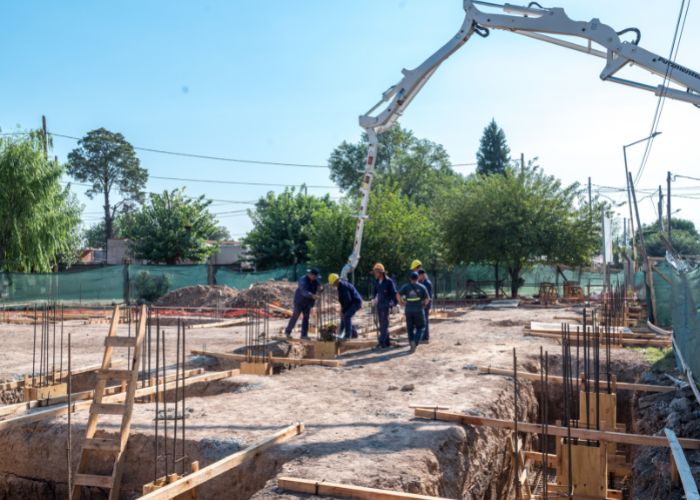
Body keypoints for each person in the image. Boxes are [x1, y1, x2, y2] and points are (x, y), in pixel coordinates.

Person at [396, 271, 430, 352]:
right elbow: (427, 299)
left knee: (410, 328)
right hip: (418, 310)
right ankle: (415, 341)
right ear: (418, 278)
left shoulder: (406, 287)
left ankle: (411, 343)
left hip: (408, 310)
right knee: (421, 326)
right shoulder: (422, 287)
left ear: (410, 279)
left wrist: (401, 302)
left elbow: (397, 294)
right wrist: (424, 306)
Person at [284, 268, 320, 339]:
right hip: (299, 302)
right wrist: (312, 295)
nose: (316, 278)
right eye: (315, 276)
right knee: (295, 316)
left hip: (308, 303)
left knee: (306, 318)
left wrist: (321, 288)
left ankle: (304, 335)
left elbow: (319, 286)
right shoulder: (303, 280)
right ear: (311, 275)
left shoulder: (314, 280)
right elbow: (303, 291)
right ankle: (288, 332)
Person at [328, 273, 363, 340]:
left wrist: (343, 311)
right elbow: (344, 301)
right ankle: (350, 334)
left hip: (355, 303)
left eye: (333, 283)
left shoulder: (343, 287)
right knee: (344, 317)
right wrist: (342, 311)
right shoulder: (340, 286)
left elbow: (347, 301)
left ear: (336, 281)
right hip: (352, 303)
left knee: (346, 316)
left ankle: (347, 336)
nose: (333, 285)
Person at [371, 262, 397, 349]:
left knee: (384, 323)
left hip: (386, 305)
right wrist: (373, 299)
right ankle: (386, 342)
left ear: (381, 272)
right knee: (382, 323)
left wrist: (394, 304)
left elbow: (394, 293)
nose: (375, 274)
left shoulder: (389, 281)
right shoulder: (376, 281)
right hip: (379, 305)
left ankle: (381, 342)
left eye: (376, 272)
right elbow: (374, 292)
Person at [417, 269, 433, 343]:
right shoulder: (419, 282)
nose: (418, 277)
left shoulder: (428, 283)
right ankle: (423, 336)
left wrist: (425, 303)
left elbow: (428, 296)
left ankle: (426, 337)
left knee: (425, 320)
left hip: (426, 304)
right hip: (420, 304)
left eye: (419, 275)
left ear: (422, 275)